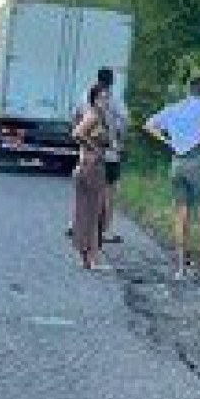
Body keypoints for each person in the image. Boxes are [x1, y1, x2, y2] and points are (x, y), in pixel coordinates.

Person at [143, 73, 200, 279]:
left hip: (177, 162)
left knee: (181, 215)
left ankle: (180, 269)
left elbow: (149, 125)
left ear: (188, 89)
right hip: (198, 160)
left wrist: (168, 141)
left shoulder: (173, 108)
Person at [69, 86, 113, 270]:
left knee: (93, 212)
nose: (106, 101)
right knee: (93, 213)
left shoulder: (99, 116)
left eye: (107, 98)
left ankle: (88, 257)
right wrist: (94, 148)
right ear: (94, 99)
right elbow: (77, 133)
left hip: (93, 166)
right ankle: (92, 259)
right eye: (102, 98)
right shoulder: (93, 115)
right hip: (91, 167)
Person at [92, 65, 130, 243]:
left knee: (88, 190)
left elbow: (76, 116)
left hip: (90, 151)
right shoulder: (115, 99)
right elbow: (125, 121)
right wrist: (120, 141)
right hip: (110, 153)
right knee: (109, 192)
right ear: (112, 81)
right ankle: (106, 230)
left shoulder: (87, 95)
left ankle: (78, 224)